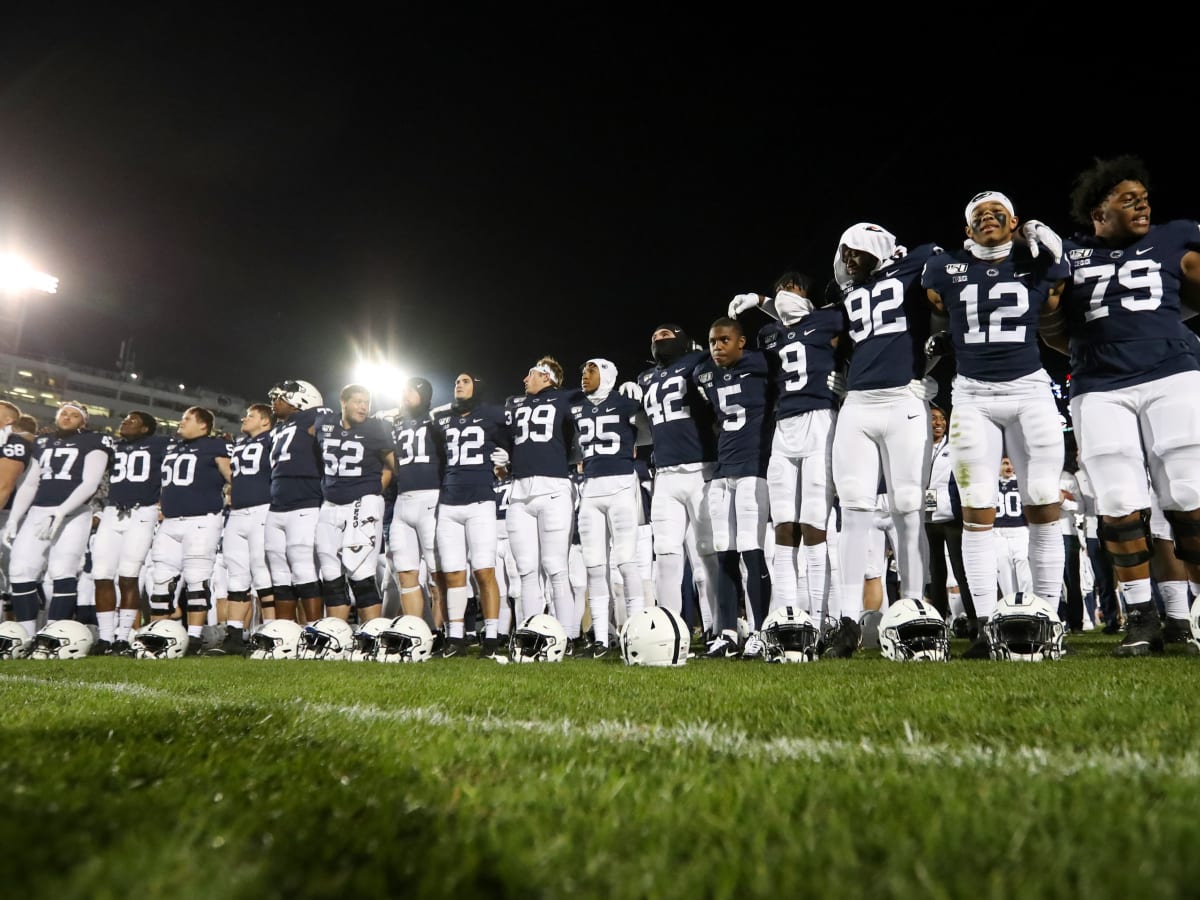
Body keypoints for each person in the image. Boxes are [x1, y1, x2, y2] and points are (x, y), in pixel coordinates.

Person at [1044, 155, 1200, 656]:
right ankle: (1140, 617)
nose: (1141, 205)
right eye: (1127, 199)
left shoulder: (1176, 236)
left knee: (1189, 493)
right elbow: (1051, 328)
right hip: (1099, 384)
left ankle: (1191, 610)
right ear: (1098, 212)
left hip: (1172, 374)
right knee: (1116, 503)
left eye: (1144, 197)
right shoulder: (1069, 256)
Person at [923, 191, 1068, 658]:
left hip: (1029, 390)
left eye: (997, 213)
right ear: (967, 231)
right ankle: (986, 626)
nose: (988, 218)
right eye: (978, 216)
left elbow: (1053, 305)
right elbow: (934, 303)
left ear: (1015, 222)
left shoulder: (1037, 262)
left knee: (1043, 501)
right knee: (977, 510)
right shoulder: (945, 268)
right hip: (972, 395)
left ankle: (1045, 619)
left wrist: (1052, 247)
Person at [825, 223, 941, 658]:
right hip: (857, 404)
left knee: (908, 508)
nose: (848, 259)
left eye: (854, 250)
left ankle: (914, 608)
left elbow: (951, 291)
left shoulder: (917, 261)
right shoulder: (847, 293)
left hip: (902, 401)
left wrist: (928, 362)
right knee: (853, 512)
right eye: (843, 253)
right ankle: (848, 620)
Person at [728, 271, 841, 623]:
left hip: (820, 419)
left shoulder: (827, 318)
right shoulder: (770, 333)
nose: (783, 295)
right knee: (784, 525)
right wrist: (764, 305)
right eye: (778, 291)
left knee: (814, 523)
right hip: (783, 425)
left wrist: (848, 379)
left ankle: (822, 619)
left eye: (789, 289)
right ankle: (789, 614)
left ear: (804, 293)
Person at [622, 324, 721, 632]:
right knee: (665, 552)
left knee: (708, 555)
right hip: (664, 473)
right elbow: (643, 425)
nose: (657, 339)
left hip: (702, 469)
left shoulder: (698, 361)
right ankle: (670, 629)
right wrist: (630, 405)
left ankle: (720, 629)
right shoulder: (646, 377)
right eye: (653, 337)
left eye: (665, 335)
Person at [692, 317, 775, 658]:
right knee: (725, 554)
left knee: (751, 552)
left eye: (725, 339)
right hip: (723, 469)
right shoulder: (705, 372)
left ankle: (759, 630)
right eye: (713, 341)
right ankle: (727, 631)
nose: (717, 347)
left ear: (741, 342)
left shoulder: (762, 362)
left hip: (753, 468)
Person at [3, 402, 111, 640]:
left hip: (74, 514)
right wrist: (13, 518)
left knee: (62, 571)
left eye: (74, 415)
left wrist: (62, 511)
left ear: (84, 421)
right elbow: (30, 483)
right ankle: (27, 635)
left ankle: (53, 635)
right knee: (20, 571)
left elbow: (90, 483)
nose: (67, 417)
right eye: (64, 413)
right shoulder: (43, 442)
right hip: (39, 512)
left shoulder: (95, 440)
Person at [569, 357, 648, 657]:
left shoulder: (626, 401)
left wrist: (638, 392)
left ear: (606, 374)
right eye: (583, 369)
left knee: (627, 561)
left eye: (590, 370)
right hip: (590, 489)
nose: (584, 375)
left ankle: (638, 631)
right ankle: (601, 637)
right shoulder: (577, 403)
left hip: (621, 485)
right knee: (594, 566)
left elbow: (650, 430)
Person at [500, 356, 580, 639]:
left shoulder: (567, 398)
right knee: (525, 570)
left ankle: (569, 636)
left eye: (530, 373)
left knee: (555, 567)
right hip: (519, 491)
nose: (524, 379)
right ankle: (531, 634)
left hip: (554, 488)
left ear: (546, 377)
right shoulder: (516, 404)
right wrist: (504, 459)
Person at [434, 372, 511, 658]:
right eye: (456, 380)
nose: (458, 384)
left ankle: (491, 637)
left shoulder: (492, 414)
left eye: (465, 381)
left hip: (480, 501)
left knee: (484, 571)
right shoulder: (441, 419)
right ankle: (456, 638)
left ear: (477, 387)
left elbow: (515, 440)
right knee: (453, 574)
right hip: (449, 501)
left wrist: (506, 460)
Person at [149, 407, 231, 654]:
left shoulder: (215, 446)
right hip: (170, 521)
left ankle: (194, 638)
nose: (181, 422)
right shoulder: (173, 446)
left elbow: (232, 475)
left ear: (204, 425)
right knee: (160, 579)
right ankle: (157, 633)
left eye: (187, 419)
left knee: (197, 579)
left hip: (201, 520)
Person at [312, 384, 395, 624]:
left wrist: (376, 490)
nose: (363, 407)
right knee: (330, 573)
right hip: (330, 503)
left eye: (366, 402)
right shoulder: (323, 424)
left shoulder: (376, 428)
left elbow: (392, 465)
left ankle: (372, 635)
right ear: (344, 402)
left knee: (361, 572)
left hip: (363, 500)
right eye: (358, 401)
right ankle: (337, 633)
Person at [90, 411, 169, 654]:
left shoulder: (160, 443)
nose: (125, 422)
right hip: (112, 512)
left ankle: (122, 636)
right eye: (125, 419)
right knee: (101, 575)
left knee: (128, 575)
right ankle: (105, 637)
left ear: (145, 428)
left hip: (142, 512)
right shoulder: (113, 446)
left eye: (132, 420)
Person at [208, 403, 275, 655]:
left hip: (263, 509)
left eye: (251, 416)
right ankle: (235, 635)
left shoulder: (273, 439)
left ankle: (271, 633)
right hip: (237, 513)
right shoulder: (239, 442)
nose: (244, 419)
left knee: (263, 574)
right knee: (236, 576)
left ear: (265, 422)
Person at [264, 379, 329, 624]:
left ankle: (313, 630)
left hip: (305, 500)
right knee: (279, 572)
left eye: (280, 397)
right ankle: (284, 631)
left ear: (300, 400)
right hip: (277, 503)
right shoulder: (279, 428)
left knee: (303, 568)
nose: (275, 401)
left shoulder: (316, 415)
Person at [389, 376, 446, 627]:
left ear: (423, 395)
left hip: (431, 498)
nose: (404, 395)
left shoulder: (436, 421)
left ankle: (444, 633)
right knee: (405, 571)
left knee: (438, 572)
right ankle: (415, 630)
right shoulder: (395, 422)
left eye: (410, 391)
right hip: (402, 501)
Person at [923, 403, 973, 623]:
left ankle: (974, 620)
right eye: (934, 418)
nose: (939, 423)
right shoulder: (919, 447)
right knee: (936, 573)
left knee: (961, 571)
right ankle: (939, 621)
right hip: (927, 518)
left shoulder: (955, 448)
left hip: (952, 519)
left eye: (942, 419)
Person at [0, 402, 36, 622]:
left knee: (13, 576)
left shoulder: (15, 442)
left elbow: (4, 485)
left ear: (8, 420)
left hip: (8, 516)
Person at [994, 456, 1032, 598]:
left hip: (1021, 532)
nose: (1009, 467)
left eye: (1011, 463)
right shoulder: (991, 483)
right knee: (1005, 576)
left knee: (1026, 576)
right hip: (997, 533)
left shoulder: (1022, 482)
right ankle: (1011, 610)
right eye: (1004, 463)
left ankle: (1028, 606)